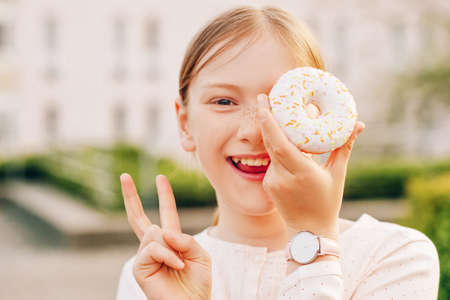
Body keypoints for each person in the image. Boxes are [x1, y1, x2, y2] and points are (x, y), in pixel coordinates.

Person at [115, 4, 440, 300]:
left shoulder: (395, 256)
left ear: (318, 116)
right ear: (185, 124)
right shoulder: (149, 275)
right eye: (224, 102)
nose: (254, 132)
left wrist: (313, 239)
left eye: (280, 103)